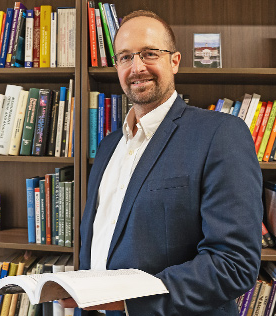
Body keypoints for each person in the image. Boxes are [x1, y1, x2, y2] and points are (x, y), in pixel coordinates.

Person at [61, 10, 263, 315]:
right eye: (126, 57)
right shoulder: (107, 147)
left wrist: (128, 301)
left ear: (175, 61)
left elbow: (234, 264)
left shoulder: (220, 134)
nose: (137, 67)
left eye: (149, 53)